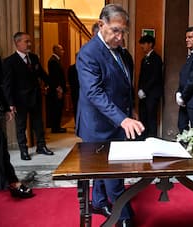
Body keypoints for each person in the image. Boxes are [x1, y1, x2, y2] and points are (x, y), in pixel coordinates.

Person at [75, 4, 144, 227]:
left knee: (104, 166)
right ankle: (122, 216)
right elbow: (94, 93)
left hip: (117, 119)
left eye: (123, 31)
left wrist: (131, 109)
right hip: (96, 124)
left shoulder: (123, 53)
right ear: (100, 25)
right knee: (113, 169)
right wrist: (122, 119)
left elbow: (125, 85)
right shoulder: (88, 53)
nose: (120, 36)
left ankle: (98, 201)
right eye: (115, 30)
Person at [1, 32, 54, 160]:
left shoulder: (34, 58)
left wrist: (53, 85)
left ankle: (41, 146)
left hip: (35, 97)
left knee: (38, 124)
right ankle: (23, 150)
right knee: (21, 126)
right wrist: (10, 103)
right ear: (17, 43)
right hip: (20, 100)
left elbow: (42, 74)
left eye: (29, 41)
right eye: (26, 41)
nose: (29, 44)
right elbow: (7, 84)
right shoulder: (9, 61)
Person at [0, 51, 34, 198]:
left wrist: (7, 106)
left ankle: (9, 181)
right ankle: (8, 181)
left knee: (0, 145)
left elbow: (1, 83)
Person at [137, 35, 163, 138]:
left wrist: (144, 90)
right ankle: (143, 138)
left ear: (150, 44)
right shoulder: (144, 59)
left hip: (152, 94)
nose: (142, 46)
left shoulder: (156, 59)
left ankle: (152, 139)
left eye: (144, 43)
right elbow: (141, 76)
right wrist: (140, 89)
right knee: (143, 117)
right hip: (143, 95)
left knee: (151, 118)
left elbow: (155, 77)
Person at [47, 44, 67, 133]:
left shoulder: (57, 60)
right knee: (56, 109)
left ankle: (57, 126)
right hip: (57, 90)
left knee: (59, 109)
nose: (63, 51)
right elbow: (55, 78)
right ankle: (55, 128)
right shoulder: (53, 61)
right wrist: (59, 89)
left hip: (59, 89)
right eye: (61, 49)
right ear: (56, 50)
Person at [67, 54, 79, 124]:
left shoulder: (85, 67)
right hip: (75, 92)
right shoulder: (71, 68)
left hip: (84, 92)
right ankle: (77, 123)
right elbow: (70, 81)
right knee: (76, 108)